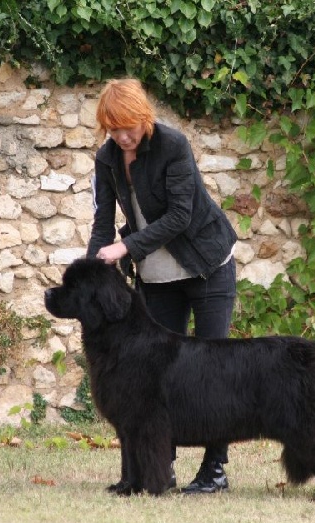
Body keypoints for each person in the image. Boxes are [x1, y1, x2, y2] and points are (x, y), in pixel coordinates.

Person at [86, 78, 238, 494]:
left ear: (143, 116)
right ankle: (159, 468)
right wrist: (92, 272)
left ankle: (214, 470)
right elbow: (101, 222)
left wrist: (124, 248)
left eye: (128, 126)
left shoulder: (173, 144)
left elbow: (179, 216)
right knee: (155, 379)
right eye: (113, 129)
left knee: (213, 376)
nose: (122, 135)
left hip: (207, 267)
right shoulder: (107, 158)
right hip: (157, 278)